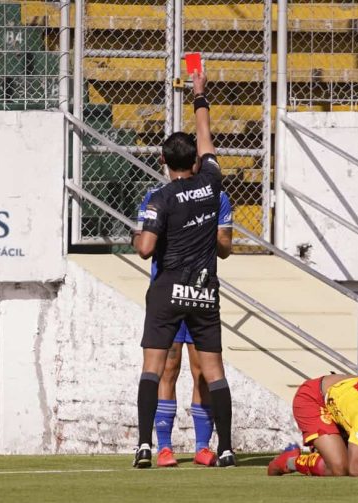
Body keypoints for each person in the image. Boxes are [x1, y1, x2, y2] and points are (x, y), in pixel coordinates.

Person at [132, 69, 236, 468]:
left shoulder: (160, 197)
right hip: (203, 290)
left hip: (168, 289)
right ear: (196, 158)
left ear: (162, 160)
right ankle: (224, 447)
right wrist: (200, 95)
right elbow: (206, 135)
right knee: (211, 370)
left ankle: (146, 445)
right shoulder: (212, 184)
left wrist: (134, 234)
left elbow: (145, 249)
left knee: (155, 368)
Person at [135, 188, 233, 467]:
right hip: (169, 290)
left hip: (198, 292)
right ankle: (164, 447)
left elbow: (225, 248)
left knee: (202, 369)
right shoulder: (156, 196)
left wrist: (217, 238)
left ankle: (203, 447)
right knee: (168, 366)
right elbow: (145, 239)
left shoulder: (217, 197)